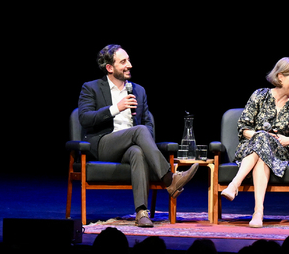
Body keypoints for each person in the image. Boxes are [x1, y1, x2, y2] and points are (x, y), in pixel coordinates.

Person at [78, 44, 199, 227]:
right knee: (140, 131)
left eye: (129, 60)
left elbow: (147, 122)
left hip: (131, 145)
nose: (130, 65)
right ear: (110, 68)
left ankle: (141, 213)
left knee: (138, 152)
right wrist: (115, 108)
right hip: (105, 144)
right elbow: (85, 118)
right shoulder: (91, 88)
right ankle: (169, 179)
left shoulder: (138, 90)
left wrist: (144, 142)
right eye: (123, 61)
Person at [221, 57, 289, 228]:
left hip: (280, 151)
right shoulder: (259, 95)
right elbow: (244, 128)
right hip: (249, 149)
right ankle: (258, 212)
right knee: (262, 140)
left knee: (265, 143)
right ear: (281, 76)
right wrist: (262, 135)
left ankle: (234, 185)